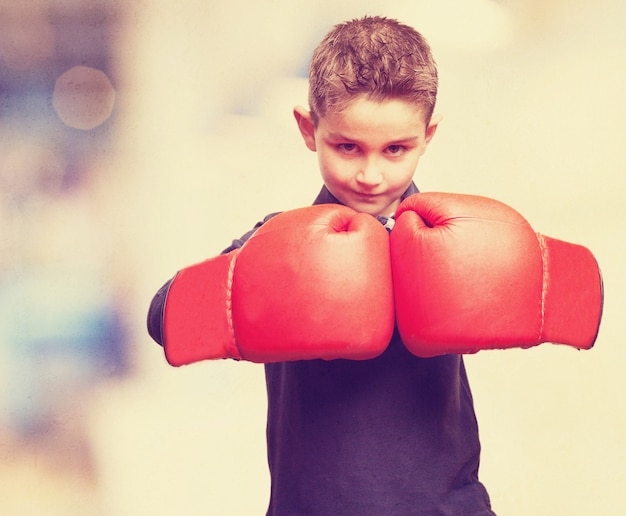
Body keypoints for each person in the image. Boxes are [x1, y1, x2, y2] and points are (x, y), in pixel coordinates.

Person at [147, 16, 601, 514]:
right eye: (347, 147)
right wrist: (262, 280)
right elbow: (162, 320)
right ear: (308, 129)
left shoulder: (459, 237)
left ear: (427, 136)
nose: (370, 174)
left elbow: (581, 297)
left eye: (396, 150)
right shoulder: (277, 242)